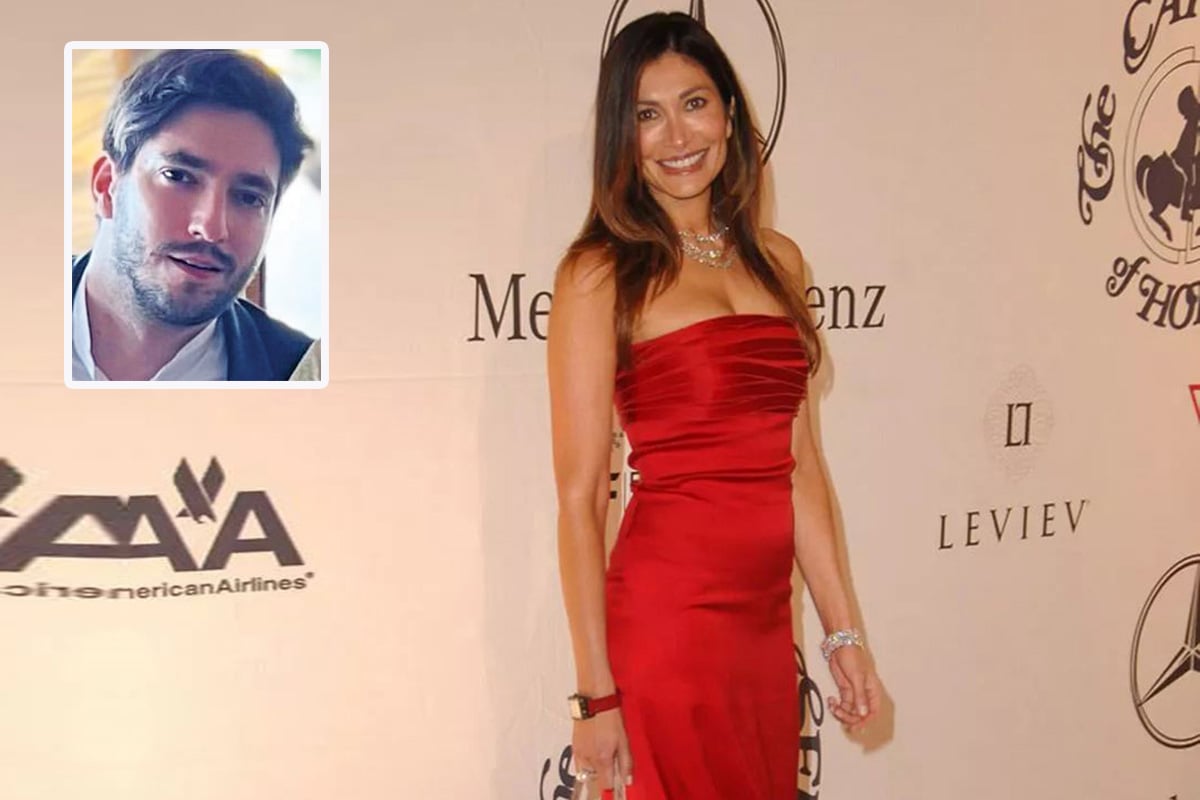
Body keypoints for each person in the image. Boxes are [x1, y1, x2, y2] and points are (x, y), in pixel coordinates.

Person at [546, 13, 881, 800]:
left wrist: (842, 632)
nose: (676, 136)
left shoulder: (780, 260)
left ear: (729, 112)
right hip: (667, 627)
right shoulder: (600, 274)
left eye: (694, 103)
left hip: (764, 634)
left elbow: (800, 468)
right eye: (647, 114)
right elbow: (580, 499)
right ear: (621, 137)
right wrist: (596, 695)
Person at [71, 49, 318, 382]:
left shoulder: (300, 376)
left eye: (249, 197)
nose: (211, 228)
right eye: (178, 176)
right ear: (106, 186)